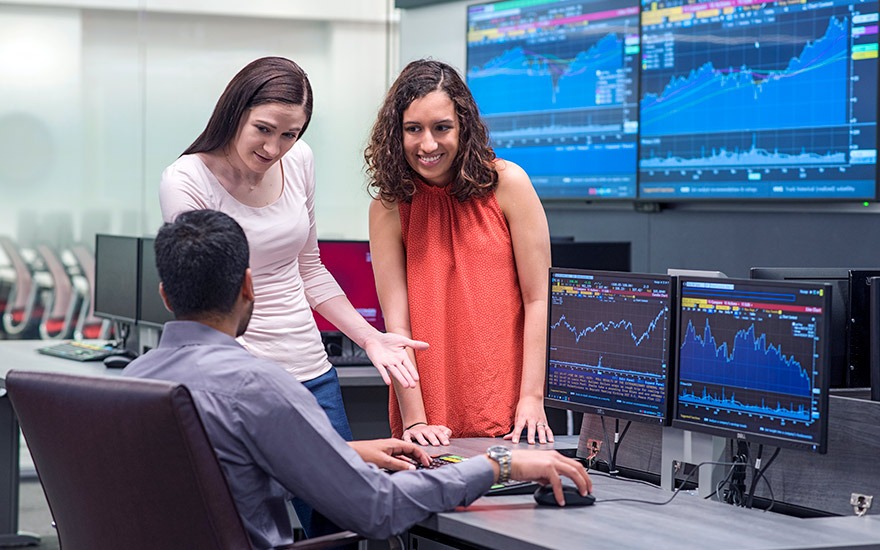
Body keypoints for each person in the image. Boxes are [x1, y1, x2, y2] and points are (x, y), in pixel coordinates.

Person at [122, 209, 592, 549]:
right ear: (249, 286)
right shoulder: (261, 387)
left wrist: (342, 453)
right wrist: (498, 465)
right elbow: (375, 509)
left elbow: (216, 470)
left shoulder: (131, 384)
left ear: (165, 295)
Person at [365, 59, 553, 447]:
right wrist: (415, 420)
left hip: (510, 410)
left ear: (463, 127)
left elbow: (539, 300)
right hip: (427, 414)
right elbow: (397, 326)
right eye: (413, 129)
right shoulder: (388, 207)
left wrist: (532, 399)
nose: (428, 144)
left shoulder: (509, 184)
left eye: (442, 128)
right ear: (396, 133)